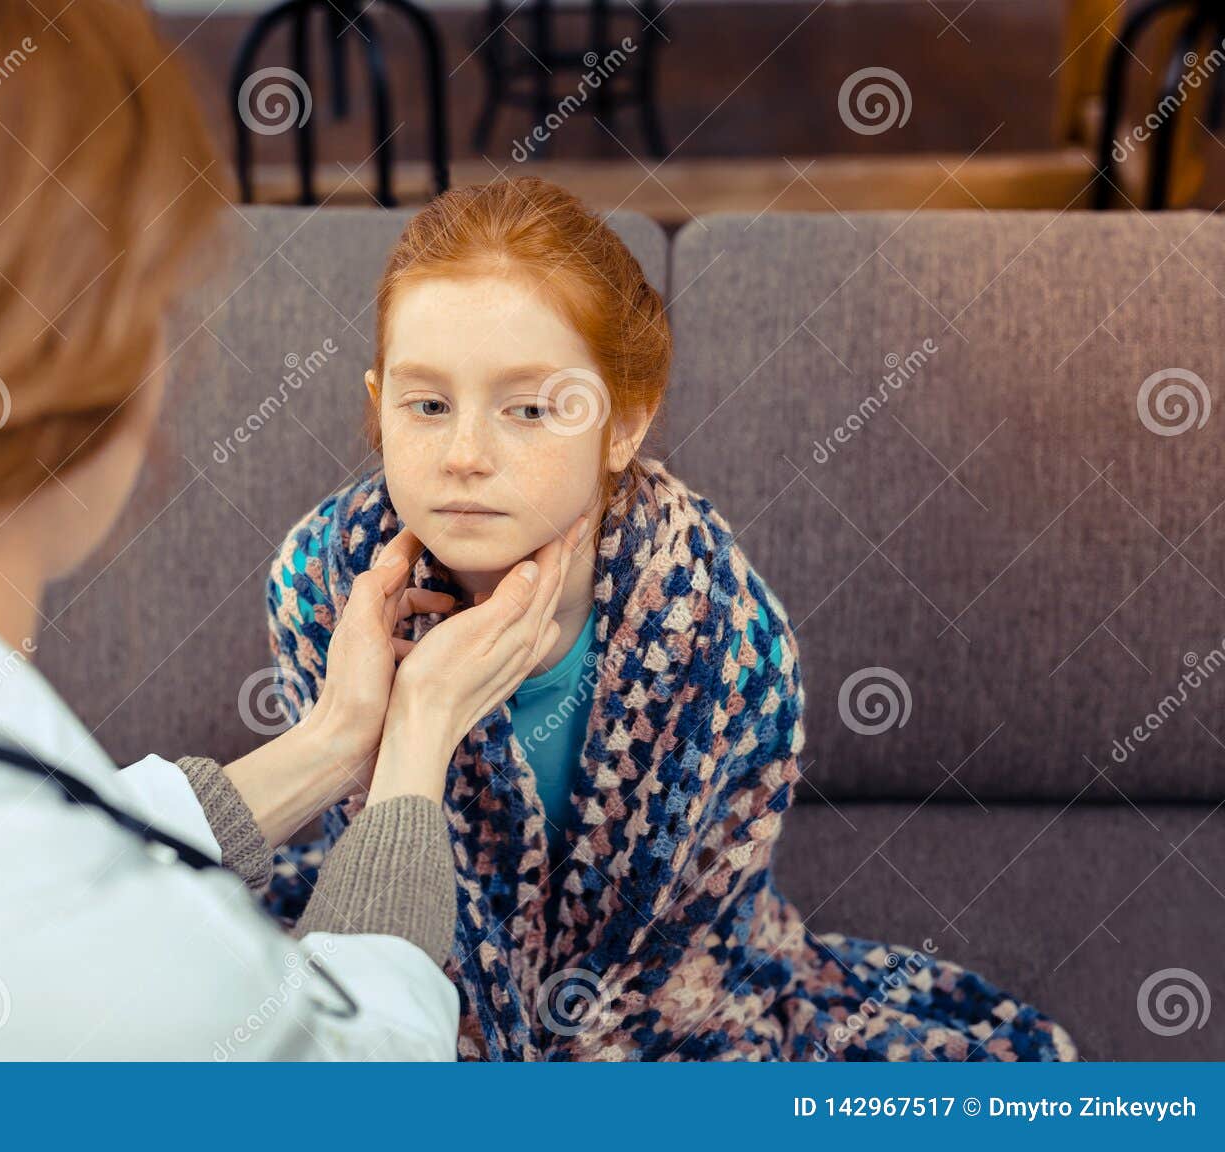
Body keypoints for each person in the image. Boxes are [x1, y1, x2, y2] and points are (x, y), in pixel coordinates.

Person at [0, 0, 581, 1060]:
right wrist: (414, 746)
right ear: (97, 370)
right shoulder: (112, 972)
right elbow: (367, 1070)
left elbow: (15, 833)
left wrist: (330, 744)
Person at [262, 176, 1082, 1061]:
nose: (464, 455)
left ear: (622, 425)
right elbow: (371, 863)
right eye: (427, 405)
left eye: (531, 408)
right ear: (380, 404)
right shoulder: (324, 587)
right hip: (409, 968)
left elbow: (681, 936)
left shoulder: (717, 636)